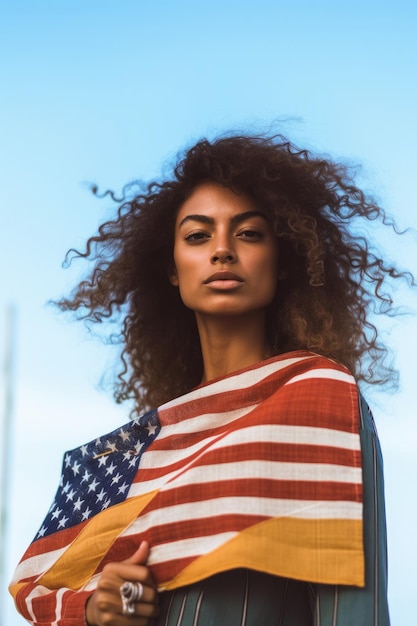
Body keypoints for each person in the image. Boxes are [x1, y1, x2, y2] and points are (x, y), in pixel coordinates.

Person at [10, 132, 412, 626]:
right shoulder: (147, 452)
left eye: (248, 233)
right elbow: (128, 602)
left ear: (283, 262)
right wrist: (106, 607)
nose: (222, 250)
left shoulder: (319, 398)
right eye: (198, 236)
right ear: (173, 270)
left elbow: (357, 612)